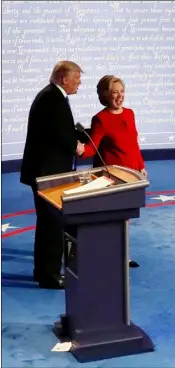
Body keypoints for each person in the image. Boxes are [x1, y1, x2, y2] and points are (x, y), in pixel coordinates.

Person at [20, 60, 84, 289]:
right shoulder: (53, 99)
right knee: (52, 225)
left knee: (47, 224)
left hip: (44, 172)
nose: (79, 82)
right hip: (49, 174)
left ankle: (43, 272)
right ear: (64, 78)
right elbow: (60, 135)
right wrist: (76, 145)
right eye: (77, 78)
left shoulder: (50, 96)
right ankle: (49, 275)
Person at [78, 75, 147, 267]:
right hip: (111, 176)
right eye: (115, 92)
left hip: (132, 174)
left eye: (122, 91)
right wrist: (81, 150)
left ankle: (123, 255)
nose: (120, 96)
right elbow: (92, 148)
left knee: (125, 217)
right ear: (105, 95)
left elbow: (133, 143)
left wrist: (141, 166)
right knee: (112, 216)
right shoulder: (100, 119)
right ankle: (108, 254)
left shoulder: (130, 113)